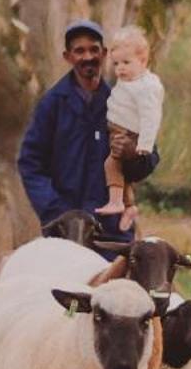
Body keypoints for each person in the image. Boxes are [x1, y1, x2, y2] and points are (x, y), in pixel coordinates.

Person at [16, 18, 159, 248]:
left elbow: (149, 160)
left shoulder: (122, 100)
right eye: (79, 51)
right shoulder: (52, 104)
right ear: (68, 57)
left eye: (94, 49)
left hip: (112, 232)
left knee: (118, 283)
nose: (87, 57)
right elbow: (30, 163)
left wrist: (133, 153)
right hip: (64, 234)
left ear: (104, 54)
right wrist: (57, 212)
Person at [102, 25, 164, 227]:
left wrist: (143, 146)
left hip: (129, 134)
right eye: (117, 63)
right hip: (118, 128)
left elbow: (150, 118)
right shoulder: (129, 81)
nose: (120, 68)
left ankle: (116, 202)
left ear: (143, 61)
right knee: (122, 175)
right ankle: (130, 207)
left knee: (111, 165)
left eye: (126, 62)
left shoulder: (146, 87)